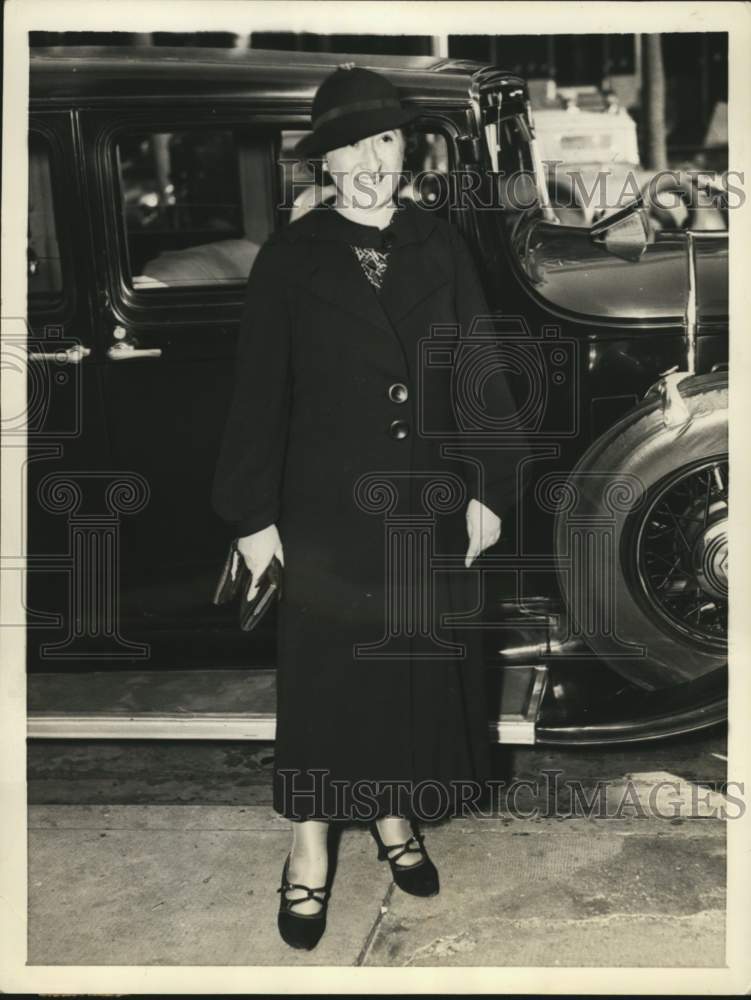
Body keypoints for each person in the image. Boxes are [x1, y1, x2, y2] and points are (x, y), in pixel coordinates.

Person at [211, 65, 529, 950]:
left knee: (405, 675)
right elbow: (257, 395)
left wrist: (486, 487)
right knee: (327, 687)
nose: (367, 164)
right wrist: (249, 514)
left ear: (406, 147)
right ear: (324, 162)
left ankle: (393, 820)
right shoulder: (291, 257)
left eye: (382, 141)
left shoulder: (439, 243)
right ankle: (309, 845)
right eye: (347, 148)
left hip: (424, 502)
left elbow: (479, 371)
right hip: (322, 510)